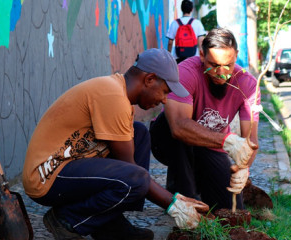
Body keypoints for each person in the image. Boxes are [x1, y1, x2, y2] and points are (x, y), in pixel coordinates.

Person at [23, 48, 209, 240]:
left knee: (140, 135)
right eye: (164, 92)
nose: (164, 100)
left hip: (70, 166)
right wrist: (174, 205)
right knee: (135, 180)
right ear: (150, 79)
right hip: (46, 176)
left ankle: (109, 224)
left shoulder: (118, 93)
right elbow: (132, 171)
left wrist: (176, 199)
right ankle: (67, 219)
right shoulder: (112, 96)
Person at [150, 28, 260, 211]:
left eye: (228, 65)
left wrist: (244, 168)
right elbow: (178, 127)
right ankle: (184, 198)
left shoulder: (247, 84)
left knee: (231, 209)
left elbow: (252, 139)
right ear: (202, 55)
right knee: (179, 134)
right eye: (214, 65)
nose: (221, 73)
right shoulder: (185, 72)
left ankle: (197, 183)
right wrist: (227, 140)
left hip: (211, 147)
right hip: (168, 141)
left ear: (236, 56)